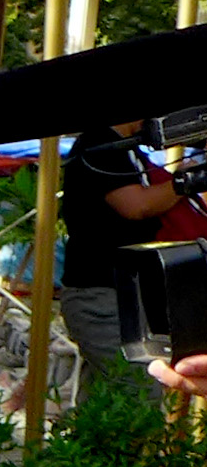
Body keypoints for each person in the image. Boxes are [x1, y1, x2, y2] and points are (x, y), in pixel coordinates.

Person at [61, 120, 201, 394]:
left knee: (106, 397)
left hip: (124, 296)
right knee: (139, 390)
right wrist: (184, 181)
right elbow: (137, 205)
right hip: (100, 293)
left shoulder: (128, 151)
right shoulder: (99, 144)